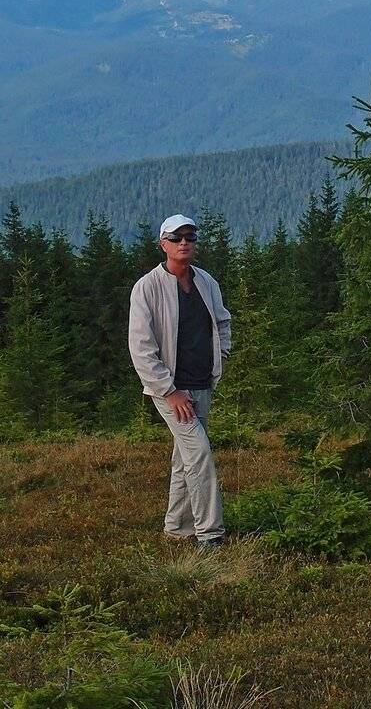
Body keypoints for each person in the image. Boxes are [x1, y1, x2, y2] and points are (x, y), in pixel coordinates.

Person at [127, 213, 232, 550]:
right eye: (176, 237)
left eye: (190, 237)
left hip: (202, 383)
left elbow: (222, 322)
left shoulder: (207, 282)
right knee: (199, 453)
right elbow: (141, 348)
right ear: (163, 244)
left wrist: (221, 355)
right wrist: (169, 391)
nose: (184, 242)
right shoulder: (147, 287)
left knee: (185, 456)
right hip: (171, 390)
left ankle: (176, 526)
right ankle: (210, 534)